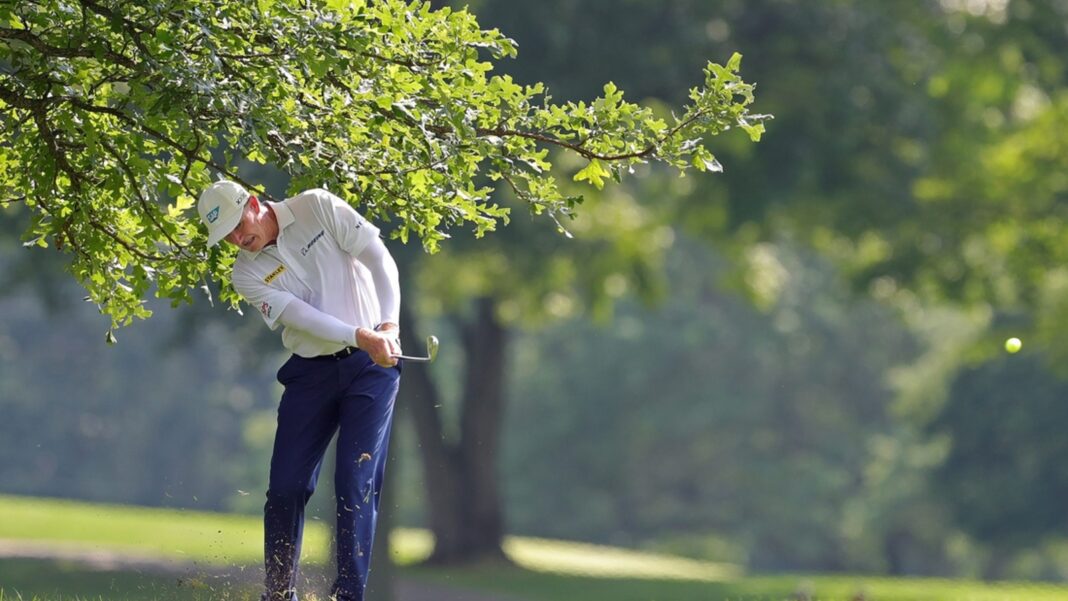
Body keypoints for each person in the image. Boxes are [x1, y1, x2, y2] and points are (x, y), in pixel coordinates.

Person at [197, 180, 403, 601]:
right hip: (311, 374)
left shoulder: (318, 206)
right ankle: (278, 594)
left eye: (239, 226)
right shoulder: (246, 272)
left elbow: (379, 260)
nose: (239, 240)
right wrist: (360, 334)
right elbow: (301, 316)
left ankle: (347, 597)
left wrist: (389, 326)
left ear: (253, 203)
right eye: (228, 237)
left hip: (371, 369)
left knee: (355, 479)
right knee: (286, 487)